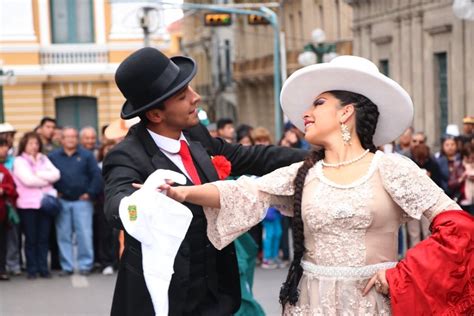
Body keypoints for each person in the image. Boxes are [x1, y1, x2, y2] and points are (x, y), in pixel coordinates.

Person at [159, 56, 472, 314]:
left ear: (346, 112)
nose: (305, 114)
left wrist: (404, 274)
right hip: (309, 303)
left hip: (370, 303)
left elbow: (460, 229)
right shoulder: (304, 172)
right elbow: (242, 193)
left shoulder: (390, 168)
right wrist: (181, 191)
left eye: (318, 103)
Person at [103, 47, 307, 316]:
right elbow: (117, 204)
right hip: (163, 299)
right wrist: (137, 204)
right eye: (182, 96)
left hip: (215, 297)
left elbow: (250, 156)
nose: (195, 97)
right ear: (155, 115)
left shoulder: (196, 133)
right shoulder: (126, 155)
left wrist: (319, 155)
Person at [48, 127, 103, 276]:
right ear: (62, 139)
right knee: (63, 235)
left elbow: (96, 176)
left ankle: (86, 265)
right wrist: (54, 192)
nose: (70, 139)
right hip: (62, 201)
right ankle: (67, 266)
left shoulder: (86, 155)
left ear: (77, 139)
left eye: (73, 137)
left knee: (84, 234)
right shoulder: (53, 156)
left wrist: (90, 193)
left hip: (82, 201)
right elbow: (47, 175)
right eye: (67, 137)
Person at [13, 132, 60, 279]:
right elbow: (28, 180)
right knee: (31, 238)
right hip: (28, 205)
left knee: (43, 238)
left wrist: (37, 172)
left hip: (44, 204)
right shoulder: (19, 161)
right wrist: (45, 179)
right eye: (30, 143)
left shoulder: (43, 159)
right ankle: (32, 269)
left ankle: (43, 268)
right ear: (24, 145)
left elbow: (56, 174)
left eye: (36, 143)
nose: (34, 146)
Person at [0, 161, 17, 280]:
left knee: (1, 243)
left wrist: (3, 190)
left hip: (1, 212)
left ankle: (1, 269)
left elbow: (12, 188)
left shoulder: (3, 170)